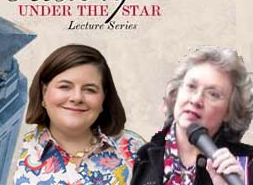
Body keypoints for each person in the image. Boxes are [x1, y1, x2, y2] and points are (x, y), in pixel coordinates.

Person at [13, 44, 145, 184]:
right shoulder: (13, 153)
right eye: (65, 87)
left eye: (89, 90)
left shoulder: (135, 149)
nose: (77, 98)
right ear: (44, 92)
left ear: (103, 99)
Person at [131, 46, 253, 185]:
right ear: (176, 92)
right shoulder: (145, 156)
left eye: (213, 94)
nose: (196, 100)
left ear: (229, 111)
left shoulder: (245, 165)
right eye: (191, 86)